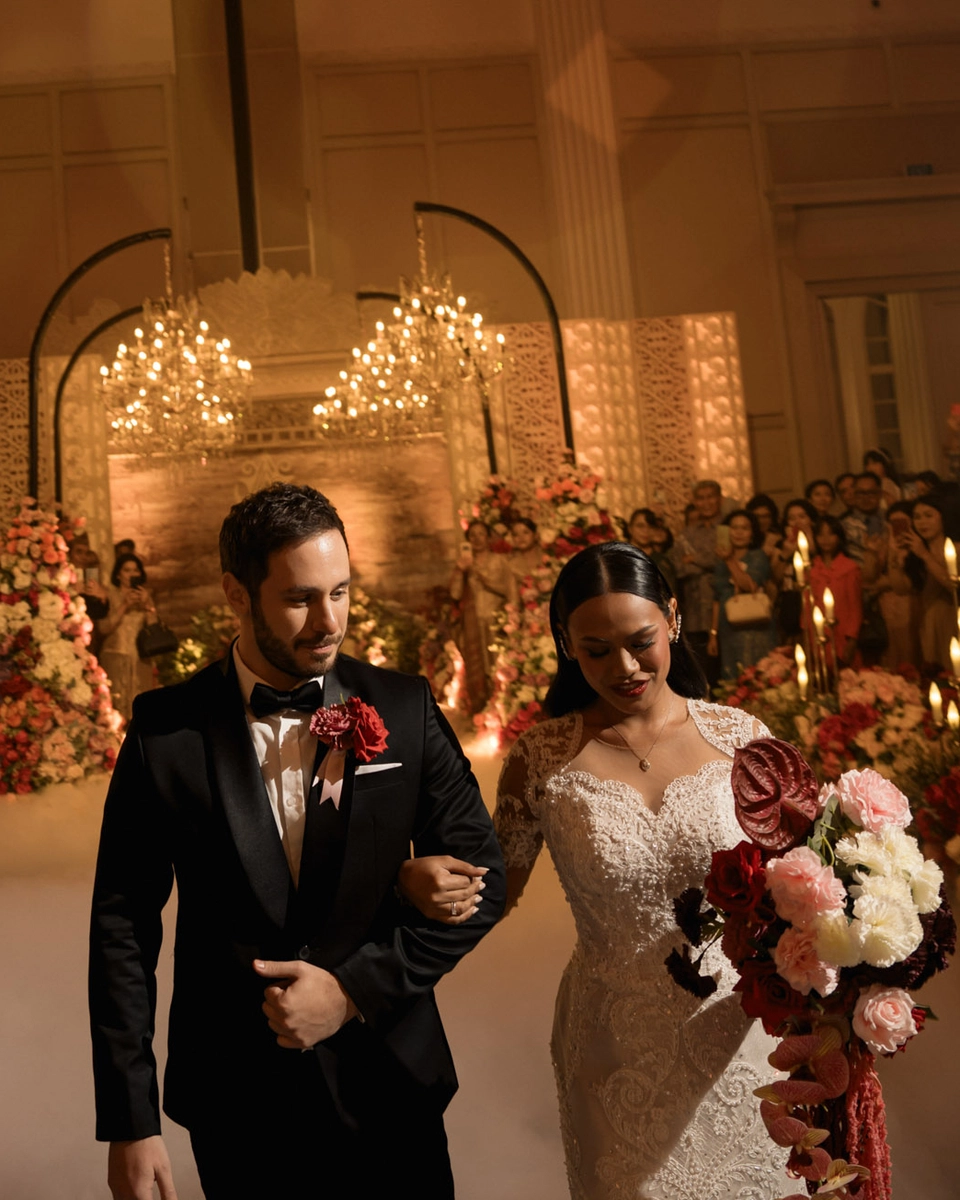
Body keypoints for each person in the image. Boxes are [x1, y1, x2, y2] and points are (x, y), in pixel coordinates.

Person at [89, 482, 505, 1199]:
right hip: (237, 1101)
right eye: (300, 598)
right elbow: (122, 926)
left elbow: (486, 878)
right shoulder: (165, 732)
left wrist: (351, 992)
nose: (328, 620)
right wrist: (131, 1120)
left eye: (341, 591)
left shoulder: (401, 706)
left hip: (391, 1081)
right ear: (236, 593)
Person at [401, 543, 786, 1198]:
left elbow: (802, 884)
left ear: (673, 621)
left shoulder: (742, 737)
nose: (626, 667)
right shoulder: (543, 756)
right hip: (614, 1045)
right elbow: (494, 890)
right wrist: (412, 881)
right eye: (597, 649)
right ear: (567, 646)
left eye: (641, 641)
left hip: (740, 1032)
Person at [449, 519, 517, 712]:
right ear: (468, 540)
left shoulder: (500, 560)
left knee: (499, 663)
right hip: (474, 622)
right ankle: (484, 709)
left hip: (497, 619)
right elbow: (455, 594)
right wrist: (460, 571)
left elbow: (510, 590)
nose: (477, 539)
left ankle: (503, 707)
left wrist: (484, 580)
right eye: (473, 536)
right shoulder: (465, 564)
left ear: (489, 538)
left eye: (481, 534)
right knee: (480, 666)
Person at [708, 509, 776, 679]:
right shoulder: (720, 562)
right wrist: (713, 634)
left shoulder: (758, 556)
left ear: (752, 533)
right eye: (734, 527)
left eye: (744, 528)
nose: (738, 532)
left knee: (757, 676)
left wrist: (730, 560)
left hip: (754, 627)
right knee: (732, 677)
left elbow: (749, 586)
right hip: (727, 627)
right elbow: (717, 599)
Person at [672, 480, 723, 690]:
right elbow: (680, 567)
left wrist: (694, 558)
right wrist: (708, 561)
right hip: (693, 611)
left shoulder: (728, 528)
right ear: (694, 501)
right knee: (702, 673)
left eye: (710, 497)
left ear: (719, 499)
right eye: (701, 498)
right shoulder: (686, 534)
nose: (706, 502)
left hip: (723, 609)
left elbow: (722, 563)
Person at [96, 552, 159, 719]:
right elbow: (103, 628)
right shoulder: (109, 594)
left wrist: (147, 604)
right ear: (118, 574)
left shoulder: (146, 595)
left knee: (142, 711)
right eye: (127, 570)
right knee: (115, 709)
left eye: (135, 570)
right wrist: (124, 605)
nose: (132, 574)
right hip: (115, 658)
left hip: (140, 661)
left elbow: (154, 628)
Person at [903, 491, 958, 673]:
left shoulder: (956, 549)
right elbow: (900, 587)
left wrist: (926, 556)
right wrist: (893, 555)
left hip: (953, 620)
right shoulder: (916, 553)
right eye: (917, 517)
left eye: (928, 516)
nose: (922, 522)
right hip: (928, 623)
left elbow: (954, 587)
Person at [872, 501, 921, 671]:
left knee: (912, 651)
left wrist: (886, 582)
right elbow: (870, 578)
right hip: (887, 609)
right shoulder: (886, 546)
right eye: (893, 523)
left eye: (903, 522)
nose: (898, 527)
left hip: (912, 605)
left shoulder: (919, 547)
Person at [808, 516, 862, 667]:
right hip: (817, 633)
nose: (826, 539)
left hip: (842, 633)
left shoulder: (849, 568)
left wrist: (852, 639)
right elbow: (806, 605)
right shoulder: (811, 569)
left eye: (831, 534)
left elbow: (855, 606)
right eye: (821, 534)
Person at [625, 506, 677, 593]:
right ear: (630, 529)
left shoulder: (661, 562)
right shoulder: (619, 557)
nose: (645, 531)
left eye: (650, 527)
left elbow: (671, 596)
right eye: (640, 526)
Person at [508, 516, 544, 582]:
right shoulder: (511, 564)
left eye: (525, 532)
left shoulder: (548, 554)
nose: (521, 537)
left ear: (536, 535)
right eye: (515, 534)